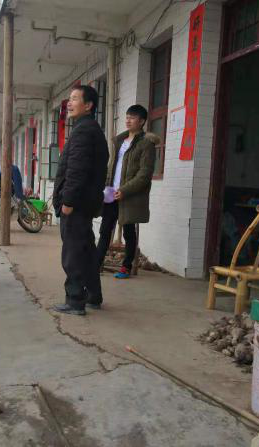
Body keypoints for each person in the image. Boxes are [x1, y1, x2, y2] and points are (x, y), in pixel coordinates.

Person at [52, 85, 109, 315]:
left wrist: (68, 201)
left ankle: (75, 301)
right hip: (85, 204)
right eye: (69, 99)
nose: (69, 103)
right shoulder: (91, 129)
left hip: (76, 205)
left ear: (88, 105)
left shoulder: (83, 131)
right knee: (86, 251)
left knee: (74, 254)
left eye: (75, 99)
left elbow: (77, 170)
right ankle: (93, 296)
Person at [97, 105, 158, 279]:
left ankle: (126, 267)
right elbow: (112, 167)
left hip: (128, 195)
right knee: (105, 229)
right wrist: (105, 186)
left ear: (142, 121)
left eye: (132, 117)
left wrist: (125, 190)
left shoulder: (146, 144)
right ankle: (96, 263)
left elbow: (144, 174)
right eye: (127, 117)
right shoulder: (119, 141)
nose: (128, 120)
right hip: (111, 192)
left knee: (128, 231)